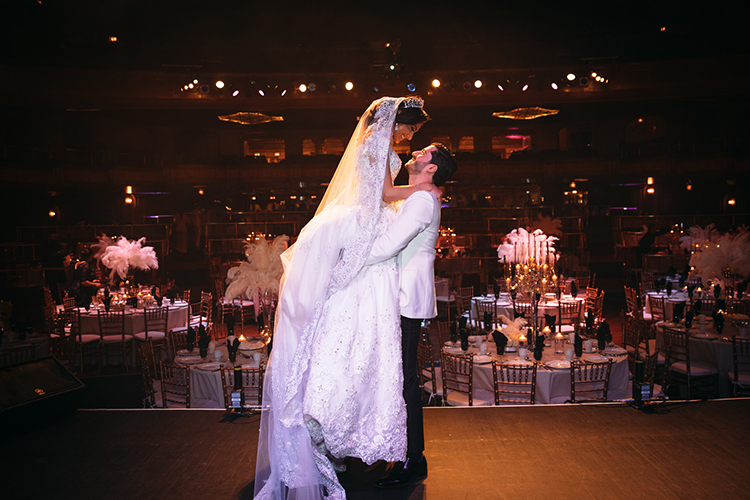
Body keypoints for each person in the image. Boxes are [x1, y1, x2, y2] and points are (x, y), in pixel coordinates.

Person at [253, 96, 438, 500]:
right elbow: (384, 193)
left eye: (413, 135)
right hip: (365, 227)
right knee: (353, 332)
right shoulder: (376, 143)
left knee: (359, 337)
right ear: (398, 121)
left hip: (369, 226)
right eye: (410, 130)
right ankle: (343, 428)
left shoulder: (379, 143)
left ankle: (348, 430)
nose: (409, 138)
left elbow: (383, 194)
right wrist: (419, 187)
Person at [364, 144, 458, 489]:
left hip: (405, 299)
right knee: (399, 379)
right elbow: (387, 196)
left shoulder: (422, 200)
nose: (416, 151)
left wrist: (345, 261)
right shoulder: (419, 194)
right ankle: (398, 451)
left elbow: (389, 246)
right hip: (399, 295)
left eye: (425, 151)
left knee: (405, 382)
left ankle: (414, 459)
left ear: (431, 169)